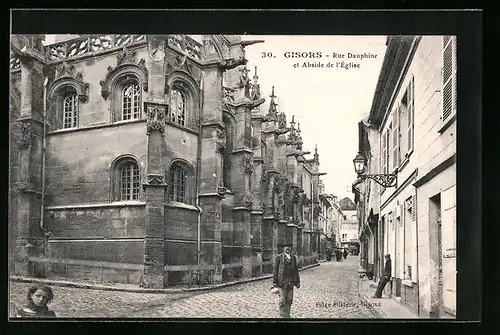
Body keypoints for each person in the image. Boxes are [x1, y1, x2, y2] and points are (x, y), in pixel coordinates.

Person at [272, 243, 301, 318]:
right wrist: (274, 282)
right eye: (286, 246)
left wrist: (297, 282)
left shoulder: (293, 257)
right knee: (282, 300)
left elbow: (295, 270)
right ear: (283, 248)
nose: (288, 248)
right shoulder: (278, 257)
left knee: (289, 299)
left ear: (291, 248)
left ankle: (287, 315)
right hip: (282, 281)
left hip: (291, 282)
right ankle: (282, 316)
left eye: (289, 247)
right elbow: (275, 270)